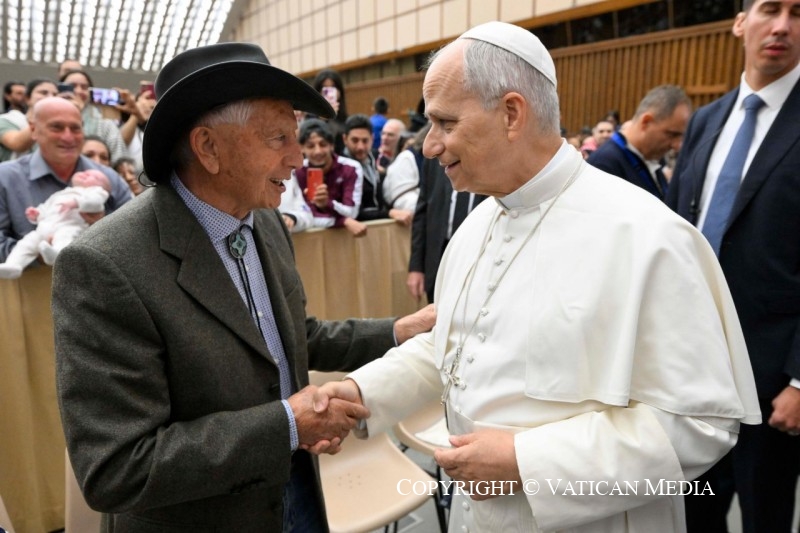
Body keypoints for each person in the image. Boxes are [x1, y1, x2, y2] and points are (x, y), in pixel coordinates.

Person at [317, 21, 761, 532]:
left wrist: (527, 463)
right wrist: (361, 393)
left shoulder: (648, 236)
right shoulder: (475, 225)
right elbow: (453, 347)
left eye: (444, 123)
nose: (430, 146)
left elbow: (701, 423)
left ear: (511, 113)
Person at [52, 42, 435, 532]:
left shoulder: (262, 220)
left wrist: (401, 330)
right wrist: (288, 425)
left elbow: (292, 336)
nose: (298, 157)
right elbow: (117, 467)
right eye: (278, 138)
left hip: (295, 494)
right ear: (208, 147)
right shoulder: (104, 265)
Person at [667, 1, 800, 531]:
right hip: (692, 371)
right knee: (694, 512)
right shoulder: (706, 120)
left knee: (765, 514)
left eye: (798, 13)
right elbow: (674, 235)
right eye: (771, 9)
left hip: (773, 383)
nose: (784, 25)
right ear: (741, 22)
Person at [0, 97, 132, 262]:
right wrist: (35, 253)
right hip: (28, 284)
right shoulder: (6, 178)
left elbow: (135, 235)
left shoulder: (109, 178)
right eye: (57, 127)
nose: (68, 137)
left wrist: (101, 228)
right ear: (33, 130)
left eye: (75, 128)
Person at [587, 85, 691, 201]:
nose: (677, 145)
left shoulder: (648, 158)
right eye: (671, 135)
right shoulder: (604, 163)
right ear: (646, 122)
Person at [0, 169, 110, 278]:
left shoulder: (96, 191)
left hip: (70, 226)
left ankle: (56, 255)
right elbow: (46, 207)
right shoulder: (61, 193)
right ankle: (14, 265)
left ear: (101, 186)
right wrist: (37, 214)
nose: (86, 174)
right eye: (86, 172)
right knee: (25, 244)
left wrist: (77, 202)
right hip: (44, 228)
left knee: (65, 238)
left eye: (95, 177)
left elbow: (97, 203)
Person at [407, 156, 486, 304]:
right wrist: (416, 267)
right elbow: (422, 211)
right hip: (439, 256)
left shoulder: (493, 155)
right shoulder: (436, 157)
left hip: (478, 258)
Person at [294, 118, 366, 236]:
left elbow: (352, 212)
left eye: (323, 144)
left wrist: (327, 203)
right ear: (302, 148)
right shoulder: (297, 172)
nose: (318, 151)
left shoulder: (351, 168)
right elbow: (305, 216)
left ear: (332, 145)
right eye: (311, 146)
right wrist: (343, 221)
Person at [59, 69, 128, 164]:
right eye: (72, 86)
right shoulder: (46, 120)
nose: (79, 91)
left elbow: (119, 159)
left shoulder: (106, 125)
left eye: (84, 87)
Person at [0, 79, 58, 161]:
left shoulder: (59, 127)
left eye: (55, 94)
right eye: (43, 93)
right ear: (27, 98)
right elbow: (17, 144)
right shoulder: (6, 120)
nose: (51, 97)